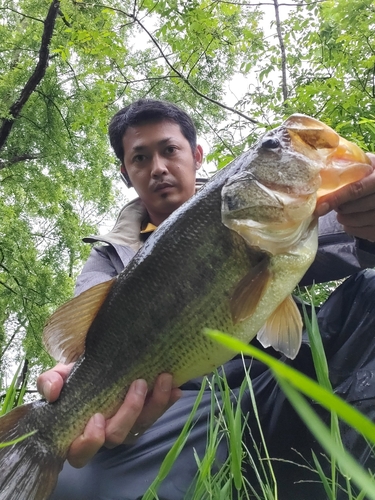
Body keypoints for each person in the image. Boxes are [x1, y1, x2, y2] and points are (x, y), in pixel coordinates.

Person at [39, 99, 375, 499]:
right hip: (178, 404)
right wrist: (70, 391)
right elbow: (84, 350)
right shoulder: (108, 257)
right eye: (140, 158)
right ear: (126, 173)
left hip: (281, 379)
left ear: (196, 156)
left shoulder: (262, 204)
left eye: (169, 150)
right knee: (71, 488)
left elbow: (357, 245)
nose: (158, 167)